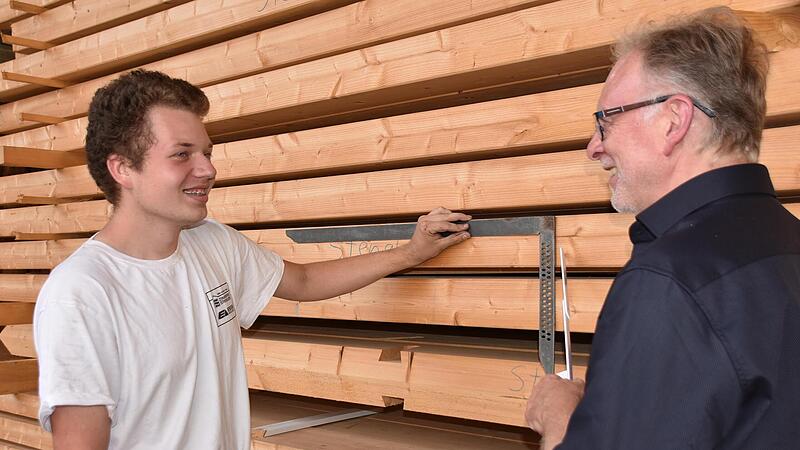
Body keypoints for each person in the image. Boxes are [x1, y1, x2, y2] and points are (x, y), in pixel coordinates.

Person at [33, 69, 472, 450]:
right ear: (123, 169)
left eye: (207, 153)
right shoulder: (82, 292)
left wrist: (412, 252)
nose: (207, 169)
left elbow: (303, 282)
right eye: (182, 154)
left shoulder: (212, 243)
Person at [525, 7, 800, 449]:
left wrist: (559, 419)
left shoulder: (668, 281)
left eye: (606, 120)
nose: (594, 147)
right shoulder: (787, 243)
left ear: (673, 120)